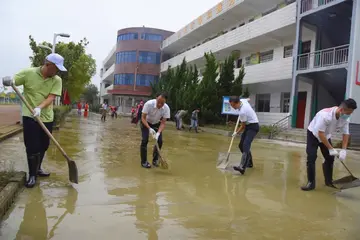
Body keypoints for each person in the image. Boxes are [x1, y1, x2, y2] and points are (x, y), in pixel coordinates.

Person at [2, 53, 65, 188]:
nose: (57, 72)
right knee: (32, 146)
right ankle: (32, 175)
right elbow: (14, 81)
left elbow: (51, 97)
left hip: (46, 116)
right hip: (29, 115)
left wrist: (40, 108)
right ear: (48, 65)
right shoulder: (28, 73)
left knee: (44, 145)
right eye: (56, 68)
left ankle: (38, 168)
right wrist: (8, 80)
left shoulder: (57, 80)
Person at [301, 98, 357, 191]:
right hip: (313, 134)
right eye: (348, 113)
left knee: (330, 158)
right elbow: (320, 134)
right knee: (311, 157)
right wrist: (331, 148)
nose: (349, 115)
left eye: (351, 113)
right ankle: (311, 183)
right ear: (341, 109)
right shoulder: (325, 115)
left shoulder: (345, 118)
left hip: (326, 135)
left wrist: (344, 150)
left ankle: (329, 181)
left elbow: (346, 134)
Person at [229, 96, 259, 175]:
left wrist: (236, 132)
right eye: (231, 105)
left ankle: (242, 167)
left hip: (253, 126)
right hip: (248, 126)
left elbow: (243, 126)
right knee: (241, 145)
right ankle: (249, 163)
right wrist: (248, 99)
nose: (233, 107)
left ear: (237, 103)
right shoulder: (242, 101)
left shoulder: (242, 112)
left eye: (233, 105)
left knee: (246, 144)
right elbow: (247, 99)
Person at [140, 93, 170, 168]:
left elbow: (163, 123)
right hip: (145, 123)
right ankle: (144, 162)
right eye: (158, 102)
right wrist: (149, 128)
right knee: (144, 140)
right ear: (156, 98)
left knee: (159, 141)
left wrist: (158, 133)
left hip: (156, 124)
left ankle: (155, 160)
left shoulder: (166, 108)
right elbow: (143, 118)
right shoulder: (148, 104)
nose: (159, 104)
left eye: (162, 103)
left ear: (165, 102)